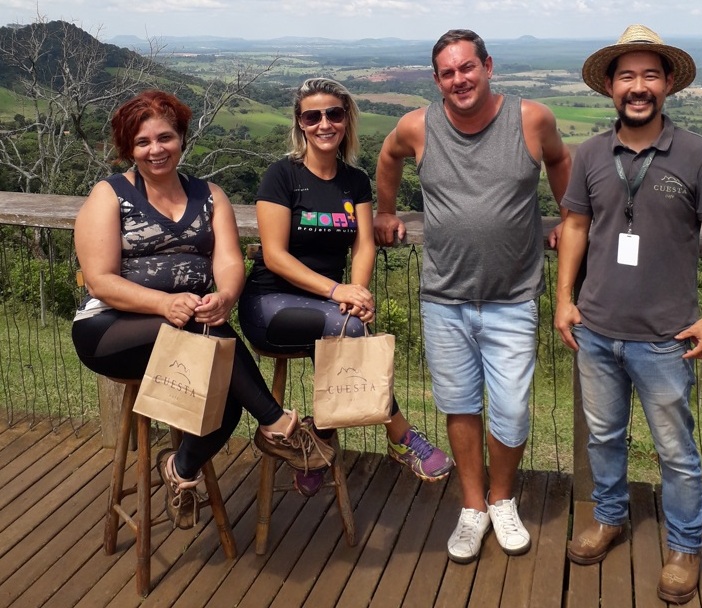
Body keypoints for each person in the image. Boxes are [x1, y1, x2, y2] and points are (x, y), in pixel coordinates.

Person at [72, 90, 334, 530]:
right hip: (110, 329)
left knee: (224, 379)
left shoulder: (209, 195)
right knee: (206, 338)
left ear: (181, 139)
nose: (156, 149)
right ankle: (279, 425)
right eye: (142, 142)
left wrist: (226, 296)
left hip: (192, 329)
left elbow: (229, 260)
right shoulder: (109, 195)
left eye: (165, 137)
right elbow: (101, 280)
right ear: (128, 149)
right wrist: (164, 303)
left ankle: (181, 468)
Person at [374, 30, 572, 563]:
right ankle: (472, 507)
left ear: (489, 66)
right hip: (444, 295)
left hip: (512, 298)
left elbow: (559, 161)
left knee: (511, 409)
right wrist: (386, 210)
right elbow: (388, 157)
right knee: (459, 406)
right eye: (447, 72)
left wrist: (573, 218)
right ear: (436, 79)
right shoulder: (417, 126)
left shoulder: (530, 120)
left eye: (467, 68)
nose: (459, 79)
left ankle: (502, 499)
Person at [554, 25, 702, 604]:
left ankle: (684, 546)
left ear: (668, 85)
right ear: (610, 86)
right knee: (604, 438)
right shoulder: (589, 152)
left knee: (675, 450)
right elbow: (576, 227)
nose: (638, 87)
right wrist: (563, 298)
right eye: (627, 75)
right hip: (598, 328)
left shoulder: (699, 154)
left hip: (665, 336)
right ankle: (609, 518)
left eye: (650, 75)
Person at [238, 77, 454, 497]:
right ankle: (401, 434)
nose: (324, 124)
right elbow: (276, 256)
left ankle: (314, 445)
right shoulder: (282, 175)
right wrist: (339, 294)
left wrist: (359, 292)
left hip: (327, 307)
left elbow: (364, 244)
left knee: (344, 334)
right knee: (349, 333)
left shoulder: (354, 181)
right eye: (312, 116)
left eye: (333, 114)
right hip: (269, 302)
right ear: (300, 123)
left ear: (346, 119)